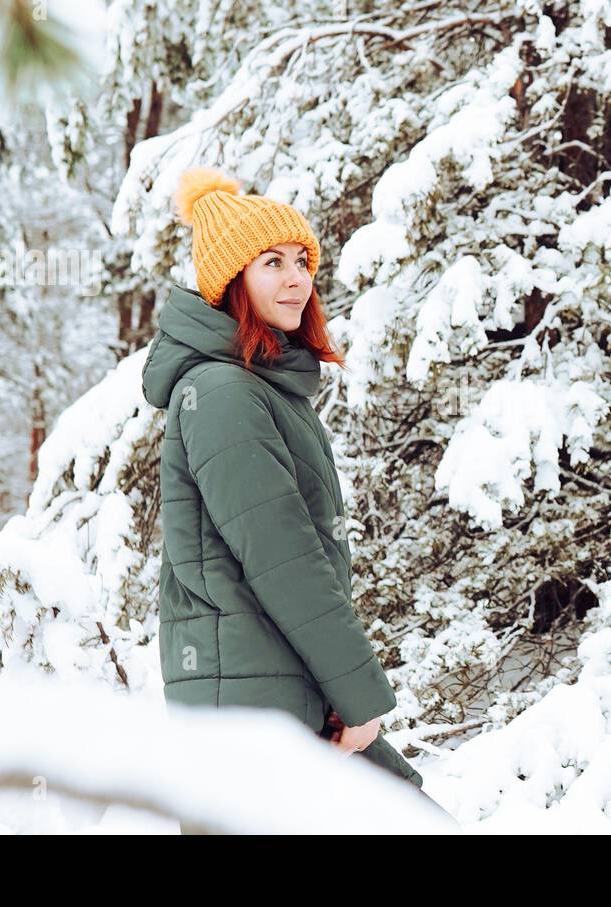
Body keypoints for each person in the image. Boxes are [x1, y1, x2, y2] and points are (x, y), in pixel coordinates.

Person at [141, 166, 453, 832]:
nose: (296, 278)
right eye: (272, 262)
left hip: (272, 684)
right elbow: (284, 560)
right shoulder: (224, 395)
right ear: (231, 283)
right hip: (253, 699)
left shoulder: (255, 387)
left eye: (303, 260)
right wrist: (359, 698)